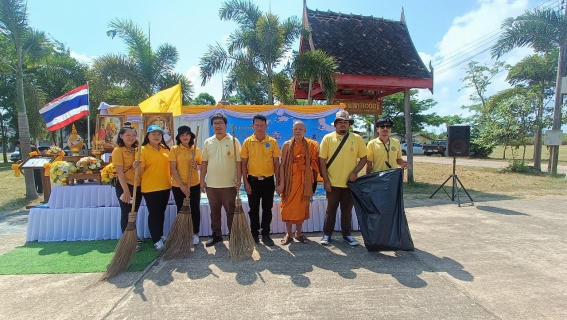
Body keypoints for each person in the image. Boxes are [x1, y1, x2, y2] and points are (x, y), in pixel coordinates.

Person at [318, 110, 367, 246]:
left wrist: (356, 172)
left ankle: (347, 235)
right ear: (335, 125)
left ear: (349, 124)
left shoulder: (357, 139)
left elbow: (364, 158)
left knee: (347, 211)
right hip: (332, 183)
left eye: (345, 122)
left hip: (349, 183)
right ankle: (327, 234)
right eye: (340, 122)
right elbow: (322, 160)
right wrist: (326, 180)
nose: (343, 125)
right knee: (331, 210)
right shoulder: (328, 138)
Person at [200, 113, 242, 247]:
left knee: (231, 211)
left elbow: (239, 162)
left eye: (220, 123)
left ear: (225, 125)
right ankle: (216, 235)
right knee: (214, 211)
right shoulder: (208, 142)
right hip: (212, 184)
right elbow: (204, 162)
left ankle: (233, 235)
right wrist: (202, 180)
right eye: (215, 123)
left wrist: (239, 179)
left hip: (229, 184)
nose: (217, 126)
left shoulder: (234, 141)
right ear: (212, 126)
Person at [276, 121, 319, 245]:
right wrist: (281, 183)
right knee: (288, 207)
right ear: (292, 131)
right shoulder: (286, 145)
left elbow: (315, 163)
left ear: (305, 131)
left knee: (302, 206)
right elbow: (282, 165)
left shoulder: (311, 145)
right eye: (295, 129)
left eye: (300, 129)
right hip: (289, 182)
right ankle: (288, 233)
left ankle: (298, 233)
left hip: (303, 182)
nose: (298, 131)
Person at [241, 114, 281, 246]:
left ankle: (266, 234)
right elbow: (243, 163)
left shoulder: (273, 142)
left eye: (262, 125)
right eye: (256, 125)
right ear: (253, 126)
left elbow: (276, 163)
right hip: (252, 181)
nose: (259, 128)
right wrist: (245, 182)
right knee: (253, 209)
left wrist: (278, 181)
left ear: (266, 126)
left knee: (267, 209)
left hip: (268, 181)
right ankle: (254, 234)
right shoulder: (247, 142)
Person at [136, 124, 171, 250]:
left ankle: (160, 235)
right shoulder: (142, 150)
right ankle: (156, 240)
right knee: (154, 214)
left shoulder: (166, 150)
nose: (156, 137)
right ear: (148, 136)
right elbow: (140, 172)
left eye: (159, 134)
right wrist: (137, 166)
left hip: (165, 186)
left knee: (161, 213)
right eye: (153, 134)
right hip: (150, 187)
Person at [111, 122, 144, 251]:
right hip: (125, 185)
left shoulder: (137, 150)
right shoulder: (118, 151)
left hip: (137, 184)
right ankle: (127, 240)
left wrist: (138, 167)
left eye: (133, 135)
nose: (131, 138)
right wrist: (125, 191)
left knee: (134, 212)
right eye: (128, 135)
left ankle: (133, 235)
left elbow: (141, 171)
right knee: (126, 212)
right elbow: (119, 172)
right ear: (121, 136)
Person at [169, 125, 202, 245]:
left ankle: (195, 233)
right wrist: (182, 186)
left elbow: (201, 166)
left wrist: (196, 166)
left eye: (187, 134)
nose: (185, 137)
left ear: (191, 136)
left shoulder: (196, 150)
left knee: (195, 209)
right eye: (182, 135)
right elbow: (173, 169)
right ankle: (183, 233)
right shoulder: (174, 149)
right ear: (179, 137)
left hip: (194, 184)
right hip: (178, 186)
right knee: (182, 209)